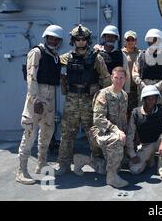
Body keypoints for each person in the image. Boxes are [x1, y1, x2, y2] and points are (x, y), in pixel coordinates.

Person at [55, 25, 111, 176]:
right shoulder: (67, 57)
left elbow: (106, 79)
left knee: (93, 134)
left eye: (83, 39)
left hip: (90, 100)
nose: (80, 42)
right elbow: (53, 63)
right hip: (72, 99)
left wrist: (105, 101)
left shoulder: (96, 57)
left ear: (87, 40)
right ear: (73, 40)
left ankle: (98, 163)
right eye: (77, 39)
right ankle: (64, 164)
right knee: (67, 134)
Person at [16, 25, 63, 184]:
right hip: (37, 96)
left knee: (48, 130)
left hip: (50, 95)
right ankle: (21, 171)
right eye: (51, 38)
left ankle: (41, 163)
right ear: (46, 37)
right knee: (30, 131)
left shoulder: (54, 55)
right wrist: (36, 100)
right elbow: (31, 77)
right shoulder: (37, 52)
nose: (54, 41)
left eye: (56, 39)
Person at [127, 85, 162, 178]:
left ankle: (161, 166)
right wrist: (132, 155)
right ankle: (150, 157)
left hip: (160, 142)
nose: (151, 101)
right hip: (146, 145)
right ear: (143, 99)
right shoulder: (135, 113)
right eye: (148, 98)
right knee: (135, 170)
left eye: (153, 98)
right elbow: (130, 135)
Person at [132, 29, 162, 112]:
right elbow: (135, 73)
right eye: (150, 40)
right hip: (144, 88)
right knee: (142, 115)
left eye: (155, 40)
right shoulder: (141, 55)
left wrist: (158, 86)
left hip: (160, 90)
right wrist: (142, 84)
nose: (152, 42)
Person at [94, 25, 130, 92]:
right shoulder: (96, 53)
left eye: (113, 37)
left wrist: (127, 91)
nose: (110, 39)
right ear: (104, 37)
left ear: (116, 39)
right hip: (99, 90)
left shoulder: (121, 55)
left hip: (116, 90)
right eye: (108, 36)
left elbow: (126, 74)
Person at [122, 30, 140, 116]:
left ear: (136, 41)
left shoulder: (140, 54)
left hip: (136, 89)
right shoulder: (120, 53)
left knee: (135, 113)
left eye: (132, 40)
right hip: (123, 89)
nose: (130, 42)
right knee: (123, 113)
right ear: (124, 41)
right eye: (128, 39)